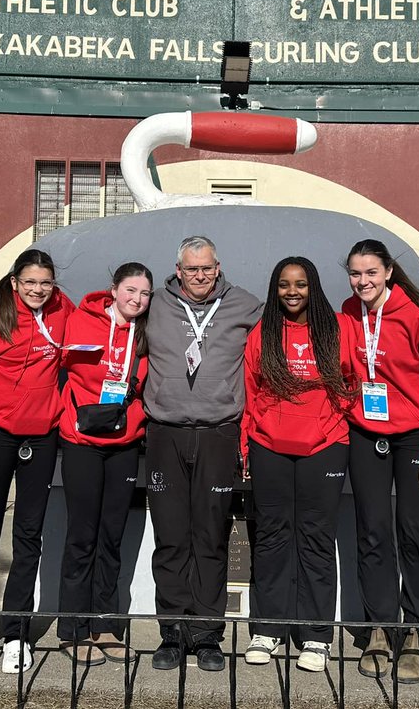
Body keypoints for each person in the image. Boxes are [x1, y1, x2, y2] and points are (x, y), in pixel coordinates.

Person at [0, 249, 74, 675]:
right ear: (15, 282)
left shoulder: (62, 309)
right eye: (31, 282)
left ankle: (17, 632)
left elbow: (93, 328)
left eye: (47, 282)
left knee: (28, 536)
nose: (40, 290)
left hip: (41, 437)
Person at [143, 234, 262, 672]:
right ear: (178, 270)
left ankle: (208, 634)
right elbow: (111, 314)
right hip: (165, 433)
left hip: (218, 432)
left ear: (218, 267)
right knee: (171, 537)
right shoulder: (153, 303)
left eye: (207, 268)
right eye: (192, 269)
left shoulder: (244, 304)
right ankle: (172, 632)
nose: (200, 276)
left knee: (210, 536)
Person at [340, 239, 419, 685]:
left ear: (388, 272)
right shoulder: (347, 312)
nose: (362, 281)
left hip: (412, 438)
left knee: (413, 533)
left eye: (370, 272)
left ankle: (418, 635)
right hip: (366, 433)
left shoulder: (416, 319)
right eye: (355, 273)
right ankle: (379, 630)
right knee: (371, 533)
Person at [240, 257, 358, 673]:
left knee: (316, 538)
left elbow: (354, 380)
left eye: (301, 284)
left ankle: (316, 635)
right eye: (285, 285)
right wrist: (247, 446)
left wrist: (332, 417)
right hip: (269, 446)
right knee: (271, 536)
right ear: (275, 289)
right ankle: (267, 629)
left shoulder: (336, 328)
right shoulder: (263, 333)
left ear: (313, 287)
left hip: (324, 445)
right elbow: (251, 390)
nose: (293, 292)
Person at [55, 262, 153, 666]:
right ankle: (72, 628)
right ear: (113, 289)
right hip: (81, 441)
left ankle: (106, 625)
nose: (137, 299)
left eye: (145, 294)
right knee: (82, 536)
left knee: (112, 537)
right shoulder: (80, 320)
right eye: (131, 290)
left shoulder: (146, 332)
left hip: (124, 443)